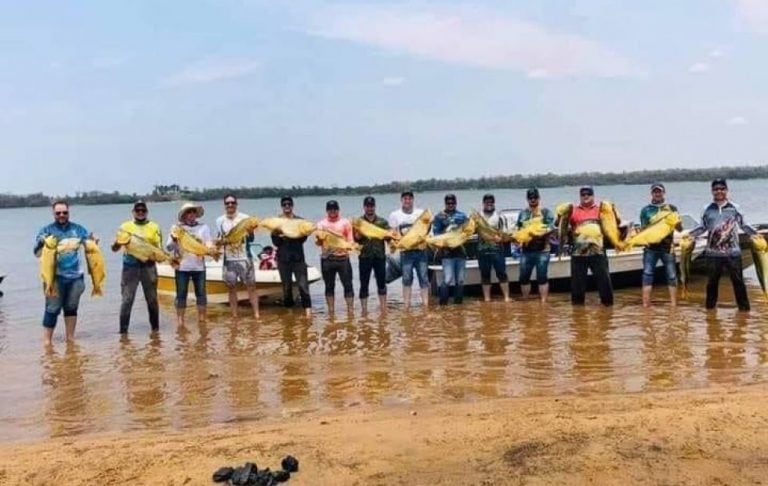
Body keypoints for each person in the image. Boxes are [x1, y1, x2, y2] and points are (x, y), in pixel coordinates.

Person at [688, 178, 761, 311]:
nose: (719, 191)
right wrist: (688, 236)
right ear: (712, 191)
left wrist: (756, 234)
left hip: (733, 253)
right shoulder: (707, 209)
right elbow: (702, 227)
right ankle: (710, 312)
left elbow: (744, 225)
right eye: (716, 189)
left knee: (738, 283)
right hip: (712, 253)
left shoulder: (735, 208)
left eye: (722, 188)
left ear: (726, 190)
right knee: (711, 284)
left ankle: (744, 313)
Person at [34, 200, 95, 346]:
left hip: (75, 278)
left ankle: (70, 339)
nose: (61, 215)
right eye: (58, 213)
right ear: (53, 214)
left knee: (71, 308)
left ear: (69, 212)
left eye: (64, 212)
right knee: (52, 308)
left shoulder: (78, 229)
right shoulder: (46, 231)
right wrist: (41, 243)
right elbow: (36, 253)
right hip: (54, 278)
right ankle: (47, 342)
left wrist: (93, 240)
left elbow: (90, 246)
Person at [111, 200, 161, 334]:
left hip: (149, 267)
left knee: (152, 300)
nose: (140, 212)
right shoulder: (125, 226)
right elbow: (114, 248)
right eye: (137, 210)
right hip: (130, 268)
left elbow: (158, 248)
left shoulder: (154, 226)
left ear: (146, 212)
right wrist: (117, 243)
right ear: (133, 212)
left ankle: (155, 331)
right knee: (127, 300)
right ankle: (123, 332)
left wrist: (158, 257)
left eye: (143, 210)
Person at [566, 185, 615, 306]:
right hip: (578, 253)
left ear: (593, 196)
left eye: (588, 194)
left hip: (598, 252)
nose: (586, 197)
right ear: (580, 196)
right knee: (577, 286)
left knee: (604, 283)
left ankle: (608, 311)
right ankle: (577, 311)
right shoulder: (573, 210)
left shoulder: (601, 209)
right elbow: (561, 225)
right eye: (583, 195)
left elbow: (612, 225)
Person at [166, 202, 212, 327]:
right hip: (182, 267)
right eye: (188, 212)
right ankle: (180, 321)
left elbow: (208, 244)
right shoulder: (176, 228)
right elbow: (168, 248)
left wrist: (210, 250)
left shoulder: (204, 227)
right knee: (181, 295)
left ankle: (202, 320)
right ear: (184, 215)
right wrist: (174, 241)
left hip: (199, 267)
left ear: (196, 214)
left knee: (201, 294)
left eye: (193, 212)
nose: (191, 214)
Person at [216, 194, 259, 320]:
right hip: (229, 260)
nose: (230, 205)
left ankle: (256, 314)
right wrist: (217, 245)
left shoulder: (245, 218)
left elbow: (251, 239)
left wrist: (251, 231)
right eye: (227, 203)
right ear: (224, 205)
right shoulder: (220, 220)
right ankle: (234, 316)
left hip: (245, 258)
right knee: (231, 288)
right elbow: (220, 238)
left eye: (232, 202)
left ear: (236, 204)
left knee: (251, 286)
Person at [639, 183, 682, 307]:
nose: (657, 194)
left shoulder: (672, 208)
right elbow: (643, 229)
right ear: (651, 193)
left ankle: (674, 305)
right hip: (650, 248)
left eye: (660, 191)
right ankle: (645, 304)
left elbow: (679, 229)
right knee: (647, 274)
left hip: (667, 248)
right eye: (655, 192)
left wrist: (676, 222)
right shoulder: (645, 210)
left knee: (672, 276)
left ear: (664, 193)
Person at [271, 196, 312, 317]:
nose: (287, 206)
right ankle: (289, 312)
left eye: (289, 204)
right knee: (287, 288)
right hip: (283, 259)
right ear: (282, 206)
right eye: (284, 204)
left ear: (292, 206)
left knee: (303, 286)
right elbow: (275, 243)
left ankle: (308, 312)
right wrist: (280, 236)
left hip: (298, 258)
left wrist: (302, 233)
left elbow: (303, 239)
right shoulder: (277, 222)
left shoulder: (300, 221)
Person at [388, 190, 430, 308]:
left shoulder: (420, 213)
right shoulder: (395, 215)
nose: (408, 201)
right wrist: (393, 245)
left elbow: (427, 229)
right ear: (401, 200)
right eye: (405, 199)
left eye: (410, 198)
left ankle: (425, 304)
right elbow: (393, 234)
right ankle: (406, 305)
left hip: (421, 251)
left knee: (423, 277)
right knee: (406, 278)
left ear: (413, 200)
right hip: (406, 252)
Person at [516, 188, 556, 303]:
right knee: (523, 277)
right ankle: (525, 300)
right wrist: (517, 240)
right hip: (526, 251)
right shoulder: (522, 213)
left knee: (542, 277)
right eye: (530, 198)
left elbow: (551, 227)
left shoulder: (546, 212)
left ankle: (543, 302)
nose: (532, 200)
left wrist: (539, 234)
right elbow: (518, 229)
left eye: (535, 198)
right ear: (527, 199)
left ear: (539, 198)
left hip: (542, 250)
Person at [316, 200, 355, 315]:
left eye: (334, 209)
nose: (332, 211)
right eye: (330, 209)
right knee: (329, 286)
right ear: (327, 210)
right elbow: (318, 243)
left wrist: (349, 247)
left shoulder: (345, 222)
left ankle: (350, 311)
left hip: (343, 259)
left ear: (338, 209)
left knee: (348, 285)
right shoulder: (321, 224)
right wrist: (319, 239)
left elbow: (350, 240)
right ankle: (331, 312)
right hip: (327, 259)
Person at [353, 196, 390, 314]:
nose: (370, 208)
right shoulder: (358, 221)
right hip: (365, 257)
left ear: (375, 207)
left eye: (372, 206)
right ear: (364, 207)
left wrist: (391, 235)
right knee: (364, 284)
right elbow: (356, 239)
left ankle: (383, 308)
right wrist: (361, 230)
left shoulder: (382, 222)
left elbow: (389, 238)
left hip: (379, 256)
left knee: (381, 283)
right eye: (367, 206)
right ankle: (364, 310)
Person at [432, 194, 469, 305]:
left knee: (460, 280)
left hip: (460, 252)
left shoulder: (462, 216)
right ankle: (443, 304)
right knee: (448, 279)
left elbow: (468, 230)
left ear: (456, 203)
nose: (450, 205)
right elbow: (436, 234)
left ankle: (458, 306)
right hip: (446, 253)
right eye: (448, 203)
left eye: (452, 203)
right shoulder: (439, 216)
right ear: (445, 204)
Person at [477, 194, 510, 302]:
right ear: (483, 203)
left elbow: (505, 233)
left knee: (501, 273)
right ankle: (487, 299)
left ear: (494, 203)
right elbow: (471, 230)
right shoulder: (478, 217)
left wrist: (501, 239)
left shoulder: (500, 216)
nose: (489, 204)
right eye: (487, 202)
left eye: (491, 202)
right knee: (485, 275)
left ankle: (506, 297)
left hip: (497, 249)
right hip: (483, 250)